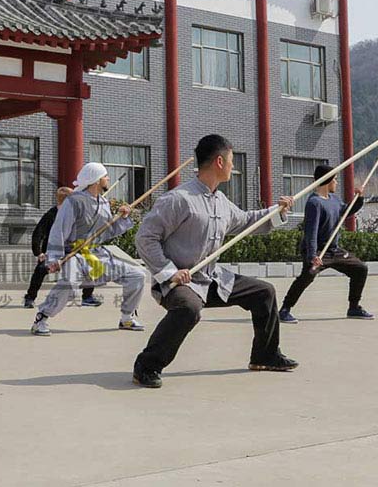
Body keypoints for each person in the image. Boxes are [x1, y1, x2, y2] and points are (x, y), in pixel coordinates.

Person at [132, 134, 298, 388]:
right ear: (220, 162)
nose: (234, 166)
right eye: (232, 161)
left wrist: (277, 211)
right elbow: (145, 238)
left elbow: (246, 222)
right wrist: (169, 272)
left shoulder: (221, 202)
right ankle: (147, 365)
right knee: (189, 308)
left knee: (264, 292)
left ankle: (265, 355)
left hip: (210, 280)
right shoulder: (179, 199)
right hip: (178, 284)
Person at [30, 162, 146, 336]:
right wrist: (54, 258)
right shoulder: (74, 201)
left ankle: (127, 317)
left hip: (97, 253)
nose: (108, 178)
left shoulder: (104, 202)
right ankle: (42, 317)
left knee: (137, 275)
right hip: (74, 253)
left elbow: (108, 231)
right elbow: (59, 229)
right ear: (97, 180)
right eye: (105, 176)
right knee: (68, 283)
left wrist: (122, 217)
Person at [278, 165, 371, 323]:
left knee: (360, 269)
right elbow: (311, 232)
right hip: (318, 251)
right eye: (334, 179)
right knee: (307, 276)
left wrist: (359, 198)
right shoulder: (314, 203)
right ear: (327, 181)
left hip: (333, 250)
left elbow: (347, 211)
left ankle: (354, 307)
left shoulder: (334, 200)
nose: (336, 182)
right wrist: (312, 255)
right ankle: (285, 309)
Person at [23, 187, 102, 309]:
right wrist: (39, 253)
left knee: (89, 267)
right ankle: (30, 298)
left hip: (74, 250)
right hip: (54, 252)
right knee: (40, 270)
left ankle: (87, 297)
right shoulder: (51, 215)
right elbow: (38, 234)